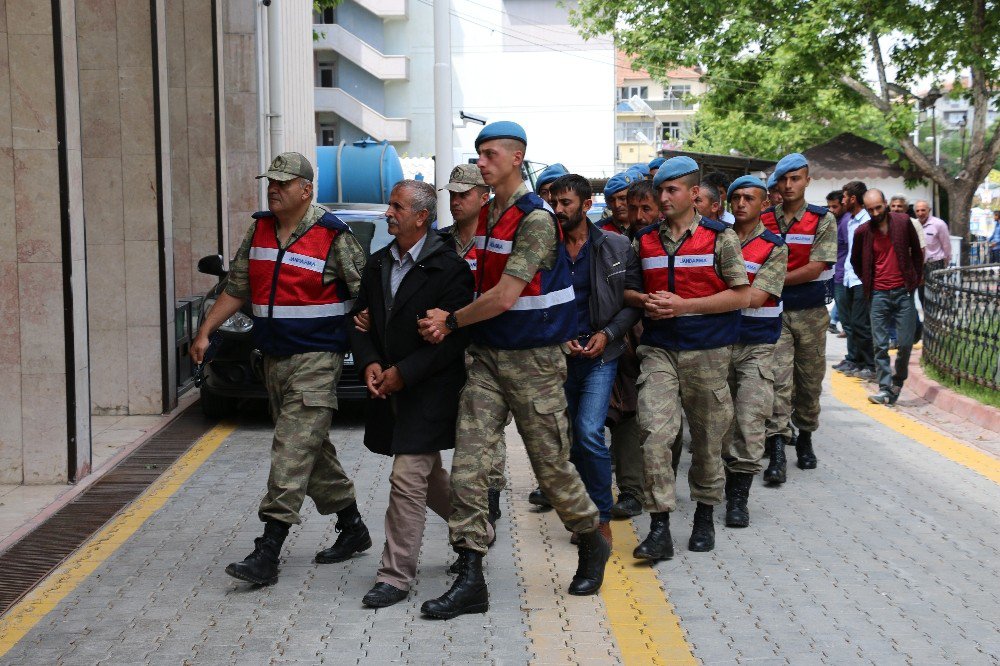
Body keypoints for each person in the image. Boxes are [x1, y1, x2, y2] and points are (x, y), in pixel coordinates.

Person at [417, 122, 610, 619]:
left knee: (551, 466)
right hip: (486, 357)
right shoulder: (487, 214)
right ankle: (471, 576)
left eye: (489, 154)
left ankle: (592, 539)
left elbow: (505, 295)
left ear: (517, 157)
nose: (480, 161)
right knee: (470, 469)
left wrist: (451, 321)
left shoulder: (536, 219)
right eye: (478, 154)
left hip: (534, 361)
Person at [192, 152, 370, 586]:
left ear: (306, 190)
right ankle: (352, 526)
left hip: (317, 360)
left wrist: (373, 350)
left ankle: (268, 549)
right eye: (270, 181)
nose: (273, 188)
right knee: (309, 448)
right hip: (272, 360)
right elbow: (238, 286)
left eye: (283, 183)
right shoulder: (260, 228)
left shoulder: (333, 235)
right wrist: (205, 333)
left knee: (290, 449)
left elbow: (366, 293)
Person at [349, 180, 476, 608]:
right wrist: (369, 361)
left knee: (406, 477)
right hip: (389, 387)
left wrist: (404, 372)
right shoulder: (378, 262)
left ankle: (394, 575)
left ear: (421, 217)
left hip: (430, 390)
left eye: (397, 206)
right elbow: (360, 320)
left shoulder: (450, 269)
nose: (389, 213)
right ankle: (480, 532)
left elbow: (454, 341)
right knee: (428, 478)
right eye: (389, 204)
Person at [626, 156, 750, 561]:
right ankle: (659, 526)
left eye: (671, 190)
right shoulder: (644, 240)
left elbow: (741, 294)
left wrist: (684, 306)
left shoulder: (721, 237)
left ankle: (703, 515)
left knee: (708, 441)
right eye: (660, 190)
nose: (662, 197)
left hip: (709, 354)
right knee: (655, 434)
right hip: (659, 351)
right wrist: (646, 301)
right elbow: (628, 289)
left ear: (694, 194)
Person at [549, 173, 642, 543]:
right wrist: (559, 337)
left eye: (566, 203)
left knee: (590, 431)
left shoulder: (617, 246)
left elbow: (631, 303)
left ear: (587, 205)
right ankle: (584, 512)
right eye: (554, 203)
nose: (558, 210)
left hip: (602, 354)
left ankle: (601, 517)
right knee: (572, 439)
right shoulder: (546, 248)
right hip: (559, 356)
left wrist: (608, 334)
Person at [760, 153, 837, 483]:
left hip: (810, 313)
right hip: (773, 313)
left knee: (808, 381)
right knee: (777, 381)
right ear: (777, 183)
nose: (789, 185)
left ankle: (805, 436)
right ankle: (777, 449)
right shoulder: (764, 219)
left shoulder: (822, 220)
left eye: (796, 178)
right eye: (783, 179)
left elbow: (817, 267)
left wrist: (771, 280)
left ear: (807, 180)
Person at [437, 164, 506, 524]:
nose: (456, 200)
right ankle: (471, 498)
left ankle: (488, 498)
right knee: (461, 428)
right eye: (452, 194)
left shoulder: (497, 242)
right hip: (445, 349)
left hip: (487, 347)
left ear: (484, 197)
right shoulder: (439, 242)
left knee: (484, 430)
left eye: (464, 194)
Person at [723, 176, 787, 527]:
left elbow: (755, 297)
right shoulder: (718, 239)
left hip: (757, 346)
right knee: (718, 424)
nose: (741, 203)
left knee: (749, 422)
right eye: (736, 197)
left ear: (765, 205)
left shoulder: (774, 246)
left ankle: (738, 499)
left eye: (749, 198)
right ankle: (718, 483)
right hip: (718, 343)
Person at [606, 178, 660, 520]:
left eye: (645, 208)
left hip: (664, 340)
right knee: (627, 410)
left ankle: (654, 481)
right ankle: (630, 488)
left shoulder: (672, 242)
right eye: (629, 205)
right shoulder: (610, 240)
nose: (636, 214)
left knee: (659, 421)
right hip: (621, 337)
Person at [850, 190, 924, 405]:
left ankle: (897, 382)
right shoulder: (863, 232)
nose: (875, 213)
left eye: (878, 208)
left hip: (903, 292)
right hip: (878, 294)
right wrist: (869, 282)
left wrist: (915, 278)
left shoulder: (902, 222)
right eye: (870, 209)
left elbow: (917, 253)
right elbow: (856, 261)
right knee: (880, 345)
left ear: (885, 204)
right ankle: (884, 388)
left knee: (905, 343)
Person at [834, 181, 875, 381]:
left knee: (861, 323)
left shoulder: (867, 221)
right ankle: (857, 361)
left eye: (844, 197)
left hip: (861, 279)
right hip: (849, 277)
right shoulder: (850, 221)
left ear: (852, 198)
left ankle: (871, 364)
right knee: (851, 322)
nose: (842, 201)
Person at [914, 200, 952, 307]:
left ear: (929, 210)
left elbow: (946, 245)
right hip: (920, 266)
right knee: (922, 294)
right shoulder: (914, 225)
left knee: (934, 293)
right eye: (918, 211)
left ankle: (936, 318)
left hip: (935, 264)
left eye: (923, 210)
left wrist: (946, 262)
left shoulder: (939, 224)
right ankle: (927, 318)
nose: (920, 213)